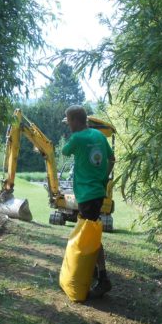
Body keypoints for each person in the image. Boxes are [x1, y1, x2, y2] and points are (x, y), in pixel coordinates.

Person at [62, 105, 115, 298]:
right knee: (88, 232)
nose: (68, 125)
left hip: (87, 195)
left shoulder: (77, 138)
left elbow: (64, 151)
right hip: (97, 192)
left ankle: (103, 278)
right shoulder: (99, 136)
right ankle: (92, 269)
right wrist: (103, 179)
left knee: (90, 235)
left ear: (75, 121)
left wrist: (74, 138)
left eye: (68, 121)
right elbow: (112, 159)